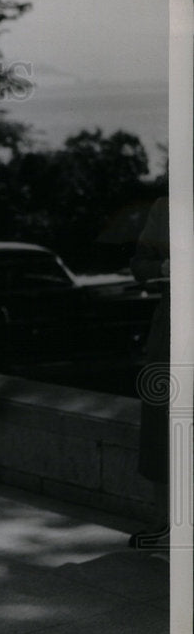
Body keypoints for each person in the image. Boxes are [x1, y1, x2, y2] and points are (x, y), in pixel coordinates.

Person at [129, 195, 170, 552]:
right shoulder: (165, 207)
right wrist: (165, 267)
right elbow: (140, 264)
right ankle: (163, 521)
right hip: (172, 332)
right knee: (160, 423)